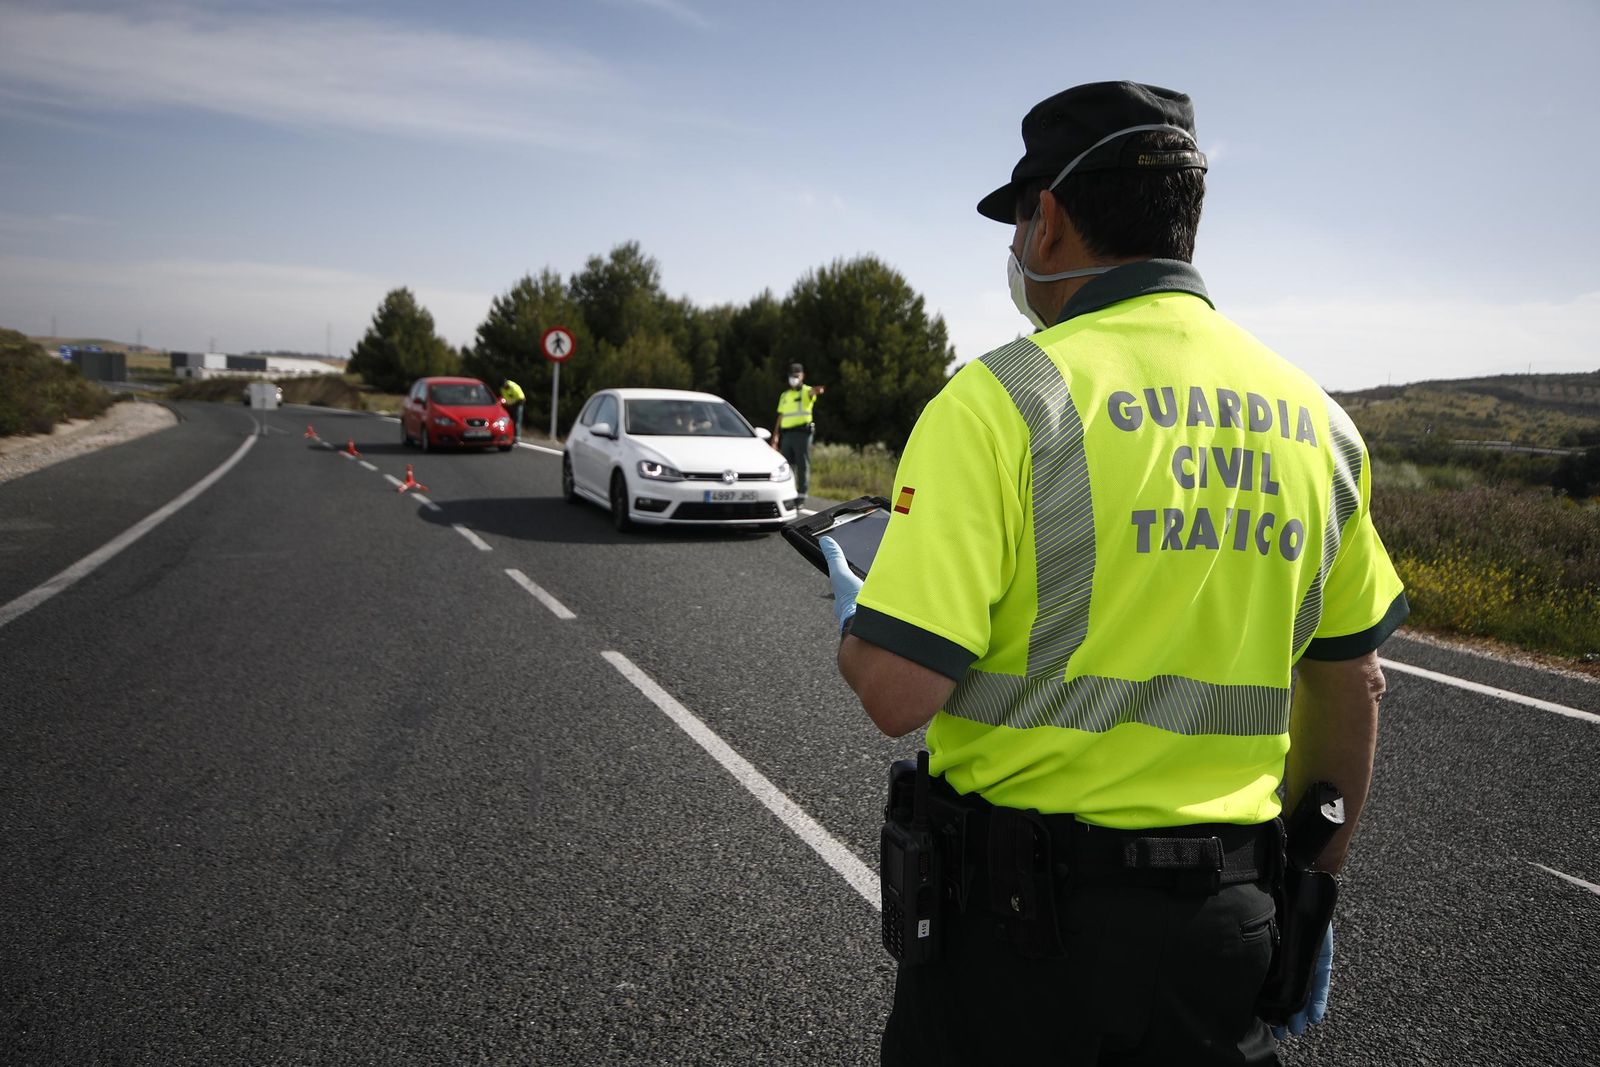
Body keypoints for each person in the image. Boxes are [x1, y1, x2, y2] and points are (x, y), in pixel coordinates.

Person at [818, 81, 1408, 1065]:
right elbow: (1353, 681)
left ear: (1046, 220)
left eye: (1016, 222)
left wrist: (861, 620)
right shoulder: (1320, 421)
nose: (1015, 247)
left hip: (1019, 945)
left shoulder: (1002, 400)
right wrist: (1313, 892)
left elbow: (896, 690)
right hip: (1227, 928)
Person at [773, 362, 825, 498]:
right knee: (787, 465)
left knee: (802, 464)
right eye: (792, 376)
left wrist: (817, 391)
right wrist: (775, 436)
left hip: (802, 433)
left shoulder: (806, 391)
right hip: (787, 434)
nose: (794, 378)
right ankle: (788, 492)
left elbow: (813, 392)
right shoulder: (785, 395)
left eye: (796, 376)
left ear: (802, 376)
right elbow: (781, 416)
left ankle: (802, 494)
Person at [499, 378, 525, 443]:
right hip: (510, 405)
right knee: (508, 420)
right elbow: (505, 398)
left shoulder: (513, 387)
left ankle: (517, 437)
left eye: (504, 385)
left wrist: (513, 405)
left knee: (517, 421)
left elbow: (522, 399)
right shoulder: (502, 389)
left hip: (518, 404)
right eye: (502, 386)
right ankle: (509, 435)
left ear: (506, 383)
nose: (503, 387)